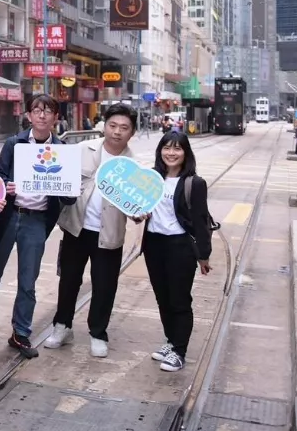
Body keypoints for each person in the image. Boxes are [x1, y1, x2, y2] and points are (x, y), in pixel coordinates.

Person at [0, 94, 71, 359]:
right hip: (10, 215)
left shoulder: (62, 150)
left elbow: (69, 197)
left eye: (48, 111)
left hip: (36, 220)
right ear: (28, 116)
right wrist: (7, 187)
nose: (42, 115)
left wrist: (67, 186)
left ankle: (20, 332)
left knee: (28, 280)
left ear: (56, 117)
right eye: (37, 110)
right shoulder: (15, 144)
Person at [44, 103, 139, 357]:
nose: (117, 132)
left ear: (132, 133)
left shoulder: (133, 166)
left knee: (105, 285)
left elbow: (136, 206)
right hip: (76, 228)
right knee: (69, 281)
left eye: (124, 128)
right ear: (104, 126)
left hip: (109, 235)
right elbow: (58, 179)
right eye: (113, 125)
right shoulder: (81, 150)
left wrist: (140, 213)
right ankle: (62, 327)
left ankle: (98, 333)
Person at [142, 132, 212, 372]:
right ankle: (171, 341)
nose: (171, 153)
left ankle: (179, 351)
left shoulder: (195, 183)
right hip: (153, 243)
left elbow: (201, 221)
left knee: (179, 299)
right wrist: (138, 213)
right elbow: (139, 206)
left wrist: (203, 255)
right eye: (166, 147)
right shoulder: (151, 178)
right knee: (162, 297)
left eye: (177, 148)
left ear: (185, 153)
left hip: (180, 246)